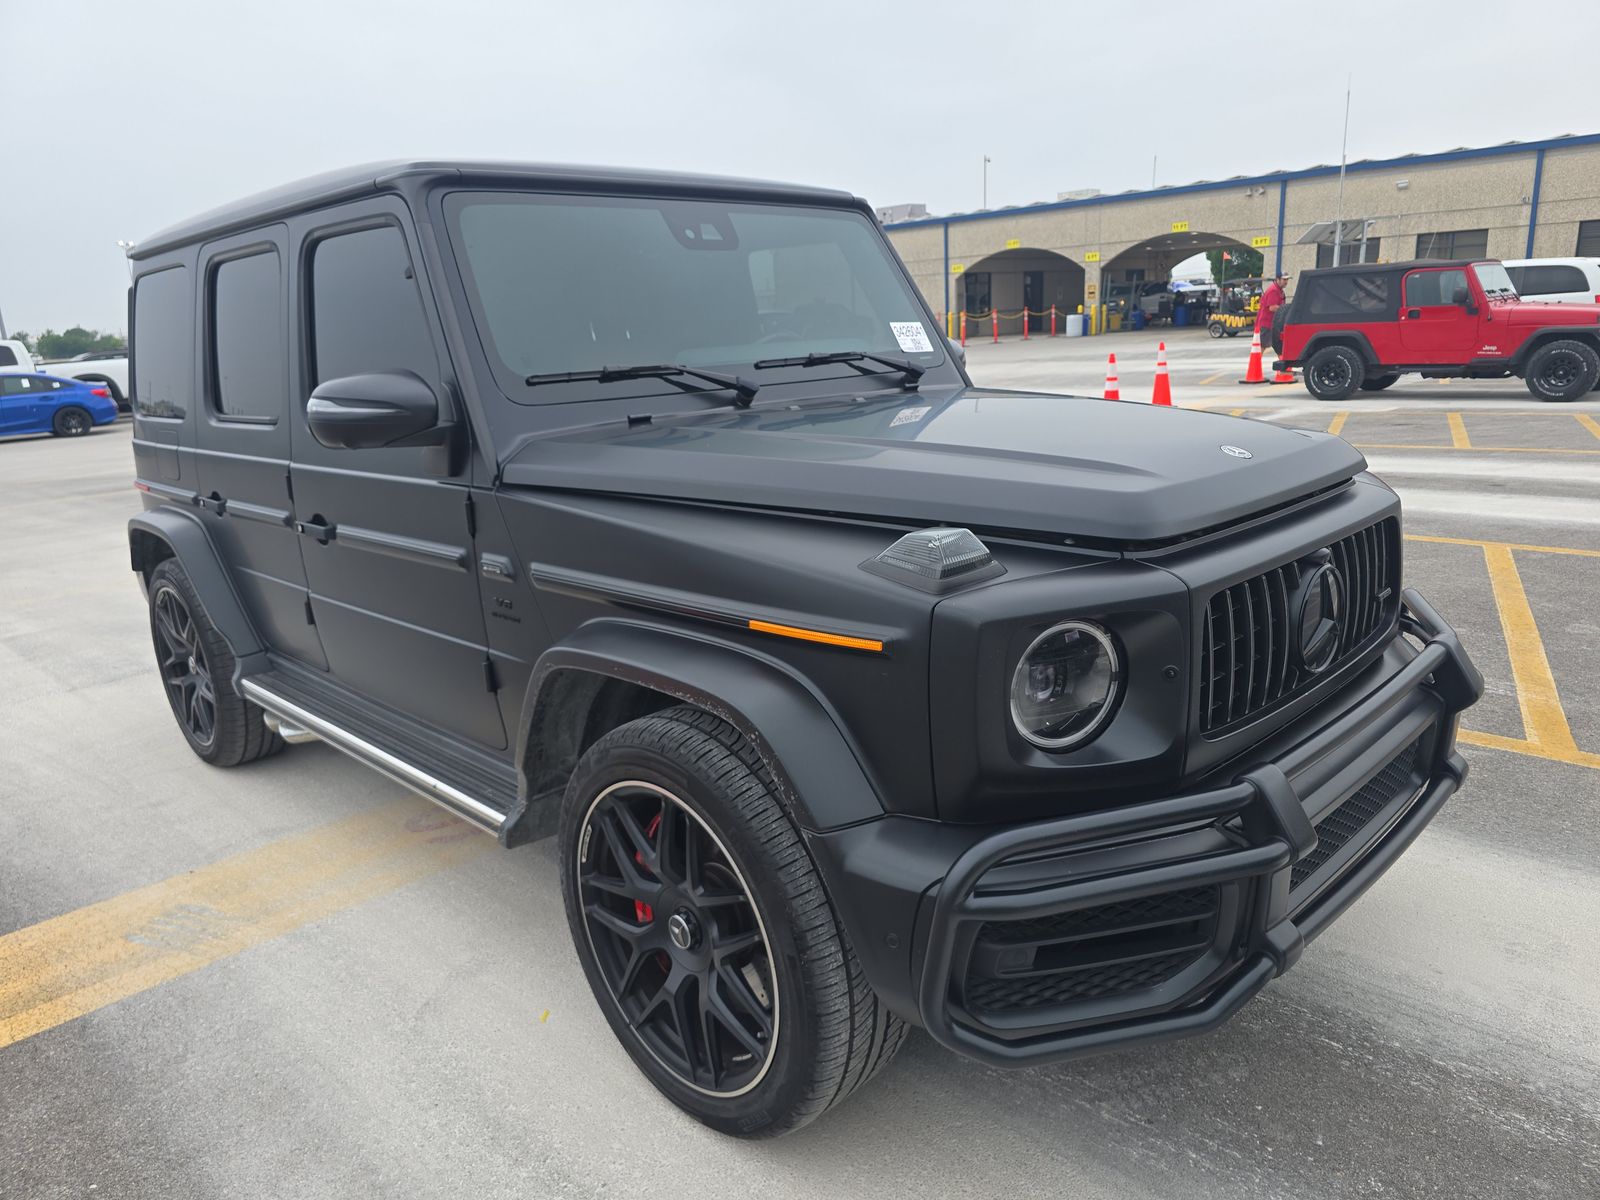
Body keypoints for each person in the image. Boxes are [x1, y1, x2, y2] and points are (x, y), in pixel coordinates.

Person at [1256, 271, 1288, 345]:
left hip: (1272, 324)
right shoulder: (1273, 290)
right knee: (1263, 346)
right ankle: (1256, 357)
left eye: (1287, 280)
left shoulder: (1280, 290)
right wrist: (1285, 309)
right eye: (1284, 279)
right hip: (1266, 324)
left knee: (1278, 346)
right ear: (1278, 279)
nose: (1286, 282)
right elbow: (1272, 308)